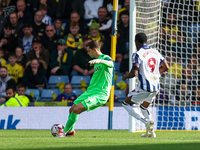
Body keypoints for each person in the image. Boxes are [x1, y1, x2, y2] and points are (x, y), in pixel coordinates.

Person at [58, 40, 114, 136]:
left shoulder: (105, 58)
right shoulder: (96, 62)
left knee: (77, 110)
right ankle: (71, 131)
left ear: (94, 50)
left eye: (89, 50)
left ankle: (63, 132)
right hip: (90, 92)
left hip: (100, 94)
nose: (87, 53)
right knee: (72, 109)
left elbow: (111, 64)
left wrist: (100, 61)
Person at [122, 33, 169, 138]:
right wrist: (154, 74)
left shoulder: (137, 54)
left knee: (126, 104)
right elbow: (166, 66)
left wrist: (125, 77)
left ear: (136, 42)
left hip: (144, 87)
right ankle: (151, 133)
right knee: (143, 107)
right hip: (156, 87)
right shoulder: (156, 52)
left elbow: (134, 73)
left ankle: (145, 122)